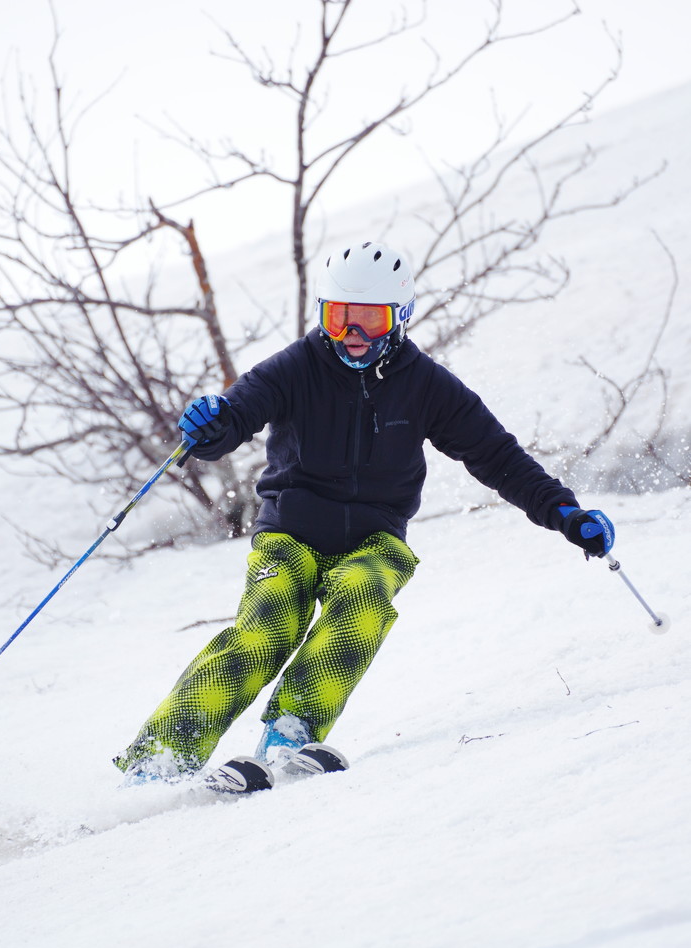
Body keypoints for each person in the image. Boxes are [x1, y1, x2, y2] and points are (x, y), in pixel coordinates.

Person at [114, 240, 614, 791]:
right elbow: (238, 415)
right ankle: (160, 757)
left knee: (362, 596)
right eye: (338, 317)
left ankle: (290, 734)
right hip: (289, 533)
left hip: (375, 538)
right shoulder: (296, 367)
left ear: (400, 317)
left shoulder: (428, 387)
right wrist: (213, 425)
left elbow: (497, 456)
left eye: (368, 320)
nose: (352, 334)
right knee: (267, 627)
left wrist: (566, 513)